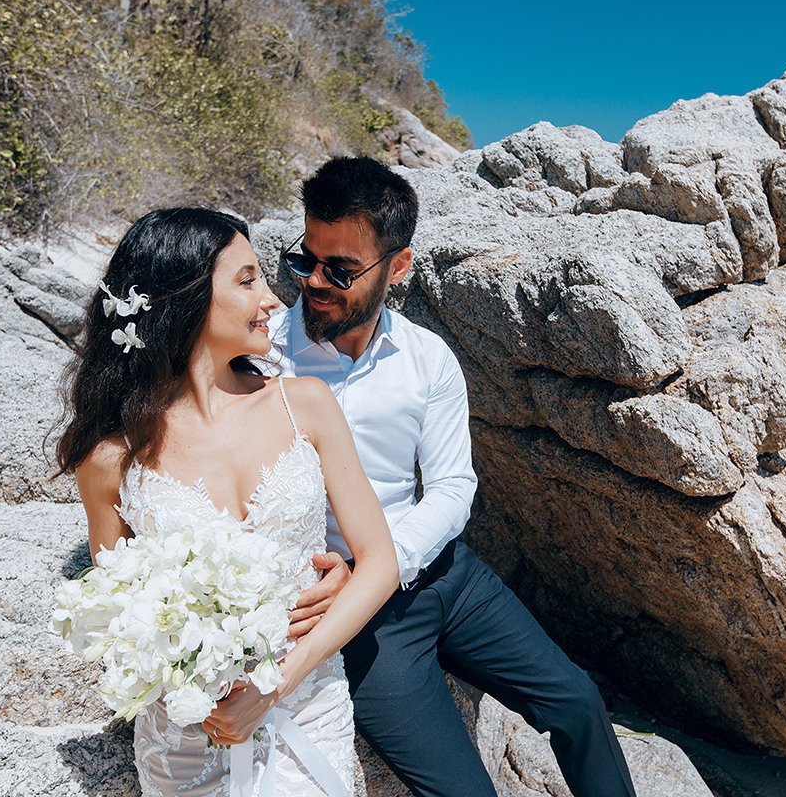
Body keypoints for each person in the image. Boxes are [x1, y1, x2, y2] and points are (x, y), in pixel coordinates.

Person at [268, 157, 638, 797]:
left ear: (399, 267)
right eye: (306, 260)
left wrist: (384, 561)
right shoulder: (266, 358)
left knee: (578, 702)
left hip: (444, 575)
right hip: (353, 614)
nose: (316, 283)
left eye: (341, 270)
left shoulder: (427, 357)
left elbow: (451, 487)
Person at [55, 207, 398, 796]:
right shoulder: (112, 458)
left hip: (307, 706)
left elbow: (380, 563)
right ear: (184, 298)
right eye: (247, 280)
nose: (272, 299)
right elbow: (117, 616)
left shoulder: (305, 404)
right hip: (189, 737)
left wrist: (277, 682)